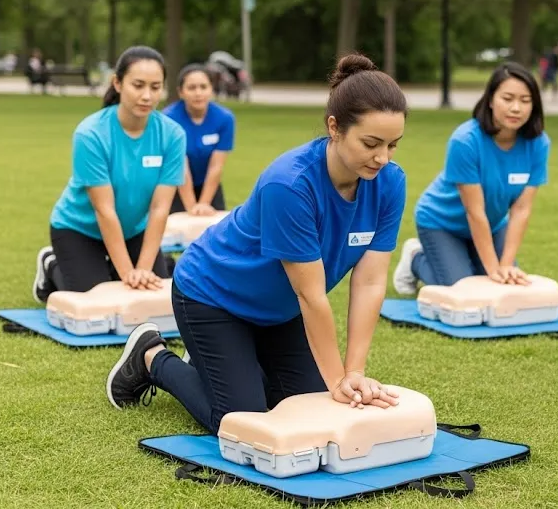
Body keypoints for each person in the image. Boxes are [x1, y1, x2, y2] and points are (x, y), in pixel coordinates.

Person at [104, 54, 409, 433]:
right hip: (212, 295)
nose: (382, 158)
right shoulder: (290, 185)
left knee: (304, 407)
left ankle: (223, 364)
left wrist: (354, 372)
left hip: (279, 311)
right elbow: (311, 296)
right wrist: (337, 383)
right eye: (371, 143)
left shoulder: (390, 183)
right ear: (335, 127)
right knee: (240, 420)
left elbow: (370, 282)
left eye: (393, 145)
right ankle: (151, 357)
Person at [31, 46, 186, 302]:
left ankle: (130, 268)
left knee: (152, 296)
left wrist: (143, 270)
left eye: (155, 87)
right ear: (117, 83)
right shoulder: (91, 133)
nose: (147, 96)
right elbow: (104, 210)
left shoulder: (173, 135)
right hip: (79, 229)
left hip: (134, 230)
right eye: (138, 85)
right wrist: (128, 275)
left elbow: (160, 208)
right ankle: (52, 265)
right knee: (100, 301)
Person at [392, 61, 550, 295]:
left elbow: (521, 210)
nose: (516, 108)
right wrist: (492, 269)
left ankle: (470, 264)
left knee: (505, 285)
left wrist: (506, 265)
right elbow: (474, 211)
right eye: (507, 99)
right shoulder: (465, 140)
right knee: (464, 292)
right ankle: (415, 258)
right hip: (441, 223)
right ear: (490, 99)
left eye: (525, 100)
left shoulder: (538, 144)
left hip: (493, 224)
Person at [163, 63, 236, 215]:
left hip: (209, 184)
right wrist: (191, 208)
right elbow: (181, 167)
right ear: (181, 92)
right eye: (191, 88)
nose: (198, 93)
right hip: (175, 184)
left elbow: (216, 166)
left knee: (217, 227)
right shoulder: (168, 119)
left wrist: (204, 203)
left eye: (203, 87)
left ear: (211, 89)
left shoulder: (225, 118)